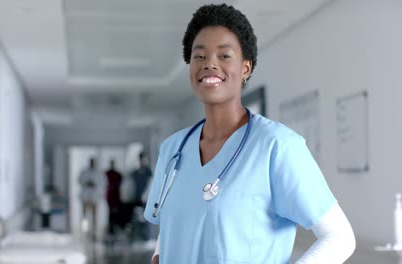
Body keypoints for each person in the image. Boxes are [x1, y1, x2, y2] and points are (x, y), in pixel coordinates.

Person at [144, 4, 355, 264]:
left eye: (224, 56)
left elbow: (339, 237)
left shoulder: (277, 146)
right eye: (199, 56)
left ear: (245, 67)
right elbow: (171, 224)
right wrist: (158, 255)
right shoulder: (173, 149)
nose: (209, 64)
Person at [78, 158, 106, 240]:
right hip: (85, 198)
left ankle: (94, 232)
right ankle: (85, 231)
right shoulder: (84, 172)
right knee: (85, 216)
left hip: (94, 198)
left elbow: (103, 183)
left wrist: (95, 184)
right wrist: (87, 183)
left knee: (95, 217)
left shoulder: (99, 173)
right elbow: (79, 180)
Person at [130, 151, 152, 241]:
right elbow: (132, 185)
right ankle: (137, 237)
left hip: (146, 198)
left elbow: (150, 184)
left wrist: (145, 195)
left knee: (146, 218)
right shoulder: (135, 172)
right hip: (136, 198)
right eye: (141, 159)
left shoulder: (148, 172)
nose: (142, 160)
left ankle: (146, 238)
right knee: (136, 218)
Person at [105, 159, 123, 236]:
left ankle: (114, 228)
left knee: (115, 212)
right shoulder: (107, 174)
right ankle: (111, 228)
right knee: (110, 212)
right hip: (110, 196)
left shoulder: (118, 174)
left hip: (115, 196)